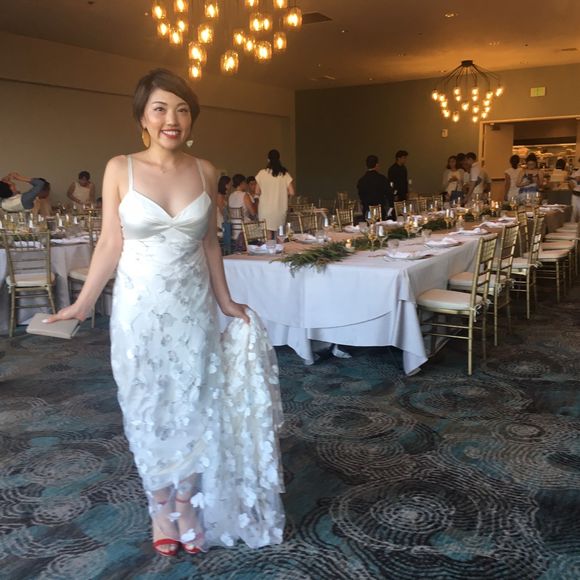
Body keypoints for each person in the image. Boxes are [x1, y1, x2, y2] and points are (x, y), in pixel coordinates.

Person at [47, 68, 285, 556]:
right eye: (160, 109)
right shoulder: (120, 168)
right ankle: (159, 504)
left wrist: (225, 301)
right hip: (138, 312)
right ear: (143, 117)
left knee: (196, 402)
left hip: (193, 311)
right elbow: (110, 244)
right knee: (147, 403)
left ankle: (186, 501)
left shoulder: (206, 171)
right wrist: (83, 302)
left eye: (181, 110)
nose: (171, 119)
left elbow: (210, 245)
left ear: (191, 119)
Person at [256, 149, 295, 235]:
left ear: (268, 160)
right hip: (280, 209)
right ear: (279, 159)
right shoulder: (284, 174)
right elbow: (292, 192)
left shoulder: (261, 173)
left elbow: (257, 192)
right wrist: (283, 195)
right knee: (279, 235)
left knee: (268, 236)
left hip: (265, 209)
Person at [357, 154, 392, 218]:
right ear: (377, 165)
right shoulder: (382, 179)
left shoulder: (361, 181)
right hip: (380, 212)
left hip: (367, 212)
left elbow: (361, 196)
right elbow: (389, 194)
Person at [228, 173, 258, 244]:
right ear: (241, 183)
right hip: (243, 227)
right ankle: (256, 246)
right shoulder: (244, 195)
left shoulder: (231, 196)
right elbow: (253, 212)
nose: (246, 185)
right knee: (259, 226)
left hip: (233, 227)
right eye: (245, 183)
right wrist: (256, 200)